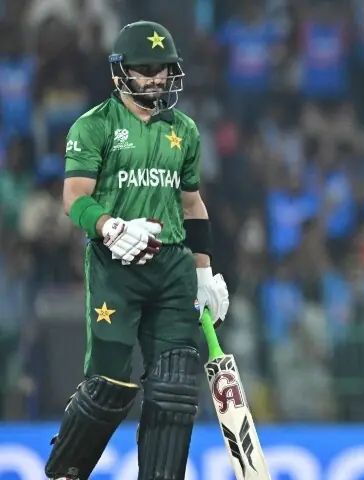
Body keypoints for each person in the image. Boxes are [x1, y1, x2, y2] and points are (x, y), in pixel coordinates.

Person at [44, 21, 230, 480]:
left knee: (175, 389)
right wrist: (110, 227)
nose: (155, 78)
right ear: (121, 72)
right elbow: (74, 198)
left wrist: (203, 271)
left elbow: (192, 204)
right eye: (145, 69)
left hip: (173, 268)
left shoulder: (184, 130)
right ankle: (66, 471)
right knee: (109, 384)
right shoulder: (94, 126)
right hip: (116, 266)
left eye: (162, 69)